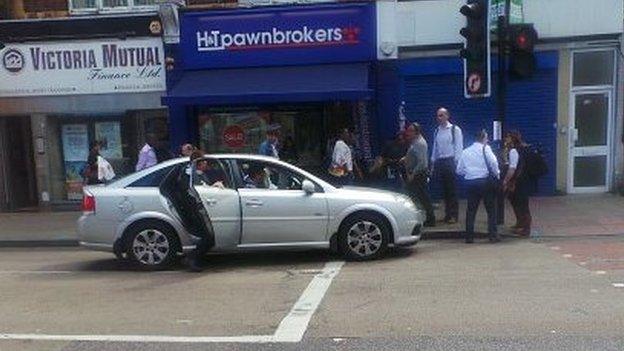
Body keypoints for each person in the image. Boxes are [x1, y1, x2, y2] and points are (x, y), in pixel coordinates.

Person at [456, 129, 500, 244]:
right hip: (485, 182)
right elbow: (494, 163)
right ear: (483, 139)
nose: (488, 140)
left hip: (471, 183)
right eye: (487, 138)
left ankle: (469, 237)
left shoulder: (465, 152)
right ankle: (492, 235)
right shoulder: (486, 148)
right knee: (491, 210)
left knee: (471, 210)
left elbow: (459, 170)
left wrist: (470, 172)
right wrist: (497, 174)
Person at [431, 107, 464, 224]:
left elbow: (459, 147)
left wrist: (457, 164)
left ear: (447, 116)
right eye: (437, 116)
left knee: (452, 190)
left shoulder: (455, 130)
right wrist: (433, 161)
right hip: (441, 162)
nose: (438, 118)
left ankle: (454, 215)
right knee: (444, 190)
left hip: (451, 161)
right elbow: (435, 147)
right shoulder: (437, 131)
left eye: (441, 115)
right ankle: (447, 214)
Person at [402, 122, 436, 227]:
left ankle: (429, 219)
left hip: (418, 175)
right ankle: (428, 218)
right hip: (415, 174)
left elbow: (422, 162)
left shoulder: (420, 143)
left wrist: (413, 174)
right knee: (419, 197)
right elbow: (415, 156)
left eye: (410, 131)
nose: (408, 133)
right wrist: (405, 158)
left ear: (416, 132)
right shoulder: (415, 142)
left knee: (419, 197)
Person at [502, 131, 532, 236]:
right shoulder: (521, 149)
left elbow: (512, 168)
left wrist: (505, 181)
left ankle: (525, 228)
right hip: (523, 180)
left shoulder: (514, 151)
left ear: (512, 139)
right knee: (518, 203)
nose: (506, 139)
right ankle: (520, 224)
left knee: (521, 204)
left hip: (517, 182)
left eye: (507, 137)